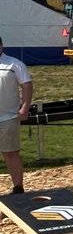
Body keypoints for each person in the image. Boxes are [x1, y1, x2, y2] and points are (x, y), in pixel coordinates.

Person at [0, 36, 34, 194]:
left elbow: (26, 85)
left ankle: (18, 188)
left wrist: (25, 107)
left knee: (10, 153)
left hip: (8, 118)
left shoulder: (14, 64)